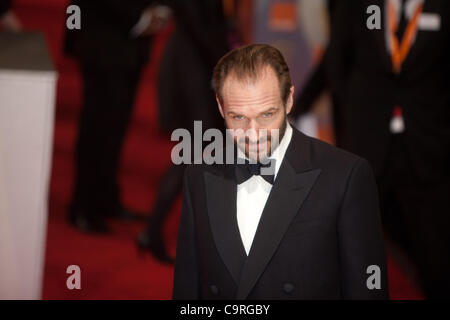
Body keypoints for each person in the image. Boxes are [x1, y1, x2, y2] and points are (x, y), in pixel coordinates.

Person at [172, 44, 388, 299]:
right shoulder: (199, 176)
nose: (253, 134)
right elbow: (188, 287)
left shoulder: (345, 177)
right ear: (220, 108)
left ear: (289, 100)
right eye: (238, 118)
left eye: (267, 115)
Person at [327, 0, 450, 298]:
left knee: (436, 261)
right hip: (368, 149)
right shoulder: (358, 6)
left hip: (428, 154)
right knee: (355, 256)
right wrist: (355, 125)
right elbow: (337, 64)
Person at [136, 0, 231, 263]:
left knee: (198, 153)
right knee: (196, 152)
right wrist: (228, 62)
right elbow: (198, 25)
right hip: (193, 70)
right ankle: (155, 231)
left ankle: (154, 232)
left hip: (197, 67)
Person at [64, 0, 169, 233]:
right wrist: (139, 17)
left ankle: (106, 198)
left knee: (117, 125)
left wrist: (161, 10)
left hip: (133, 43)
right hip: (101, 36)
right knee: (96, 126)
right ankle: (83, 207)